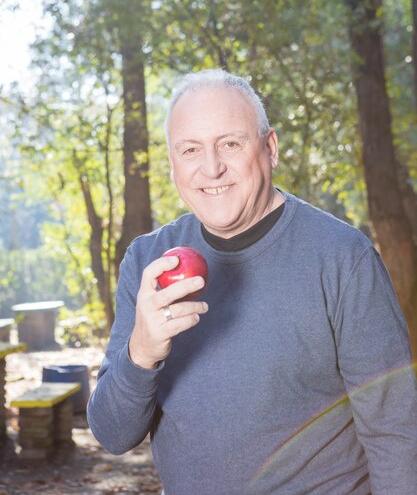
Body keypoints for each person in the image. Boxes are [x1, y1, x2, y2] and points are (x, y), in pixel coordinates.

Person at [87, 69, 417, 495]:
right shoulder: (148, 261)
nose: (211, 167)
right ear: (172, 164)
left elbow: (395, 430)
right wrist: (142, 352)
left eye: (230, 143)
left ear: (270, 148)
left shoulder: (342, 258)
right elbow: (113, 436)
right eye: (190, 149)